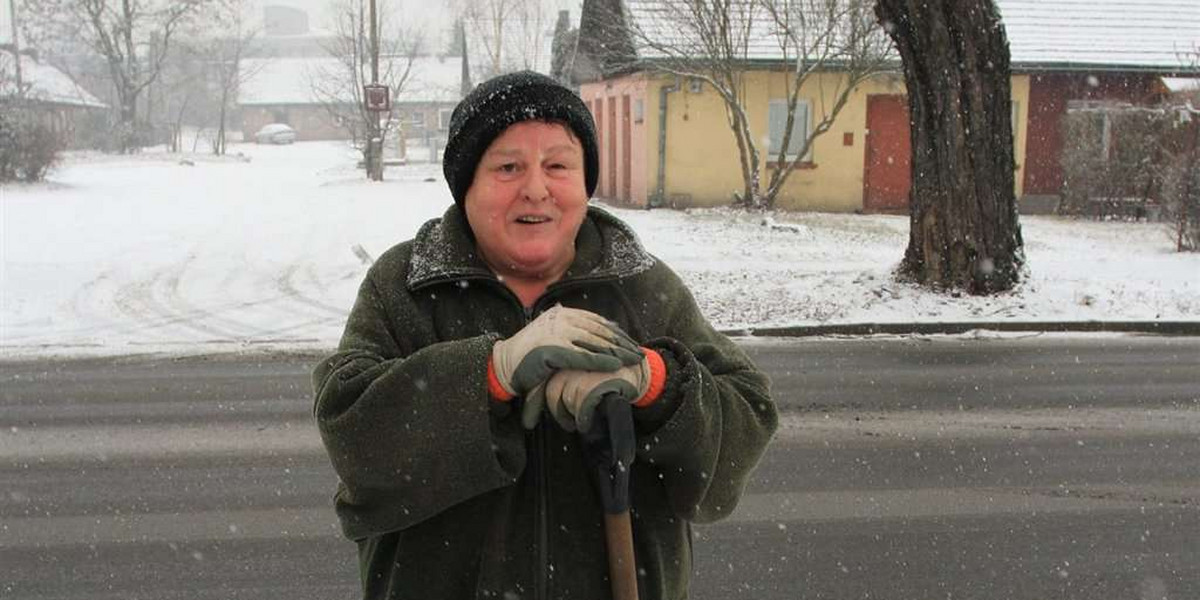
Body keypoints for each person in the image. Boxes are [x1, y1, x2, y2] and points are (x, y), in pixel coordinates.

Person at [312, 71, 777, 600]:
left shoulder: (642, 287)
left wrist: (655, 384)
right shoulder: (406, 286)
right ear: (468, 185)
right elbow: (354, 439)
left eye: (558, 165)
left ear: (583, 183)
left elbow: (745, 427)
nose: (536, 188)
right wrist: (491, 373)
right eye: (508, 167)